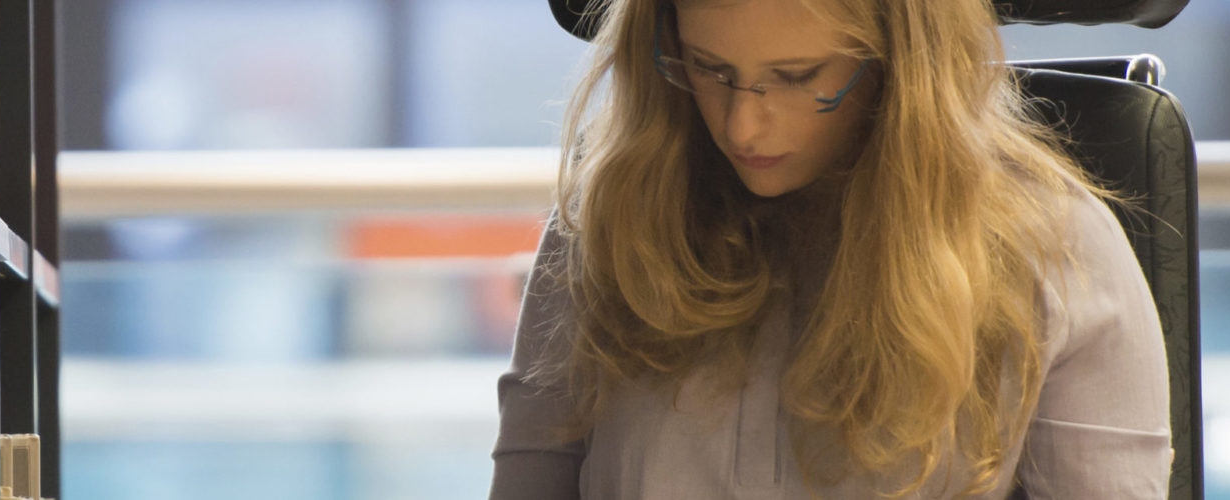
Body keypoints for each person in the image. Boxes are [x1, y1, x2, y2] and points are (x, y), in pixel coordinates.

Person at [489, 0, 1173, 498]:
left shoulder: (1054, 244)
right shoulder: (613, 219)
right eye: (711, 69)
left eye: (796, 76)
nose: (743, 123)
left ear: (901, 67)